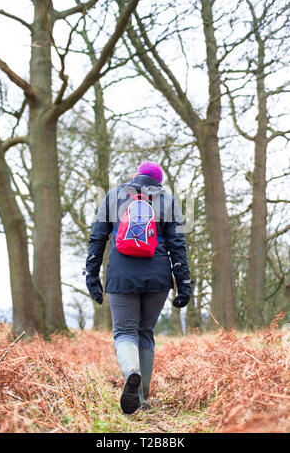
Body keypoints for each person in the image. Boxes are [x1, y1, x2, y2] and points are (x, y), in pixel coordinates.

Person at [85, 161, 192, 414]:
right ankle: (142, 400)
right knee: (145, 333)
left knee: (124, 332)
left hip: (121, 276)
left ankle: (131, 372)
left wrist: (92, 276)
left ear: (136, 176)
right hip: (158, 277)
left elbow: (97, 238)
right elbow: (178, 245)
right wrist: (184, 283)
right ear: (159, 181)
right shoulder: (167, 200)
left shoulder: (113, 196)